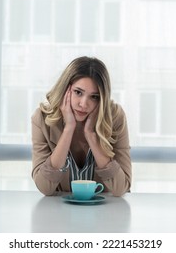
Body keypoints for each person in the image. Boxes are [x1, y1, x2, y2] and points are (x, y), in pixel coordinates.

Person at [31, 56, 131, 197]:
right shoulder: (42, 118)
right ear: (65, 89)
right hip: (58, 213)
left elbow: (121, 188)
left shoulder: (115, 117)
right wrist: (68, 129)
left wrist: (91, 135)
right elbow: (45, 187)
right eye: (78, 92)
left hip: (105, 213)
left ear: (102, 98)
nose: (84, 104)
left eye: (94, 97)